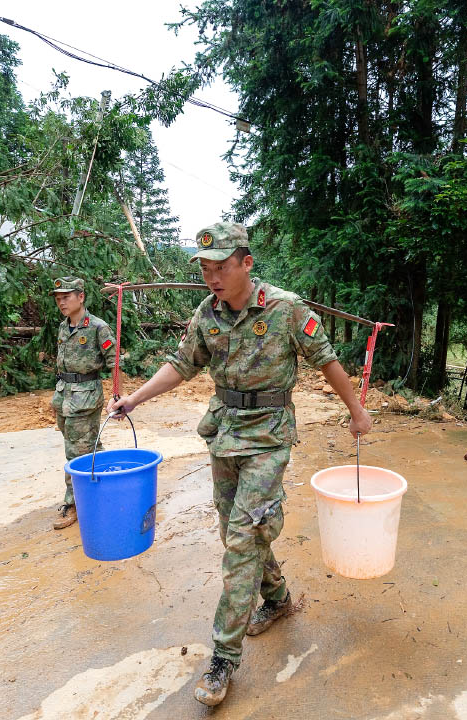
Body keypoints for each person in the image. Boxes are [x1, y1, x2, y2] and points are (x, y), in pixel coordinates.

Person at [107, 222, 372, 707]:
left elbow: (327, 360)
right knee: (238, 528)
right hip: (224, 432)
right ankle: (277, 598)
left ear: (246, 263)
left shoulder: (285, 309)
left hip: (269, 437)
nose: (212, 276)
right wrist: (136, 400)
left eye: (221, 266)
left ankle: (223, 659)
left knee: (242, 539)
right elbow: (181, 363)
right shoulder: (206, 313)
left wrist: (356, 410)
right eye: (205, 268)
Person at [50, 276, 116, 530]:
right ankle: (106, 490)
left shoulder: (98, 327)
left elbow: (114, 362)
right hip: (64, 395)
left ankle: (74, 503)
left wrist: (116, 393)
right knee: (90, 448)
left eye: (66, 297)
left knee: (76, 453)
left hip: (86, 396)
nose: (61, 302)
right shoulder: (63, 328)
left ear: (81, 297)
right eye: (58, 299)